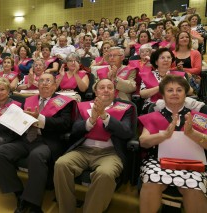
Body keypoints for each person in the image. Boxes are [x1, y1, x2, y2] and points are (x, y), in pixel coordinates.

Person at [0, 73, 75, 213]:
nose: (44, 83)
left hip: (46, 142)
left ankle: (33, 203)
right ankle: (19, 193)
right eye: (41, 80)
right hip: (25, 139)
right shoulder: (29, 100)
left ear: (55, 85)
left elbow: (65, 124)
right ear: (37, 85)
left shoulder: (65, 101)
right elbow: (19, 121)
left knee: (36, 156)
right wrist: (1, 121)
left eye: (48, 80)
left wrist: (41, 119)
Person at [54, 78, 134, 213]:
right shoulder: (83, 106)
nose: (106, 90)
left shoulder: (126, 108)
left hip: (110, 153)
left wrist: (104, 116)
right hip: (83, 150)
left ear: (115, 92)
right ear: (96, 91)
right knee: (61, 164)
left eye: (110, 87)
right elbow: (75, 129)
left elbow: (126, 132)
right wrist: (91, 120)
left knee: (105, 174)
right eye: (102, 87)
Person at [138, 75, 207, 213]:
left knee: (194, 187)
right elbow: (143, 142)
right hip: (157, 162)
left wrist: (193, 133)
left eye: (179, 90)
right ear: (163, 95)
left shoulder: (196, 117)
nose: (174, 93)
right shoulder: (155, 115)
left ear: (185, 94)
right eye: (170, 90)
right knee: (151, 182)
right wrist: (163, 135)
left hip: (193, 164)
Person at [140, 48, 192, 114]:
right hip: (153, 106)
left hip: (177, 104)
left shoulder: (178, 75)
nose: (166, 60)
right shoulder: (147, 76)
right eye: (162, 58)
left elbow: (190, 91)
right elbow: (143, 94)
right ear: (156, 62)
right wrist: (163, 86)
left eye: (168, 57)